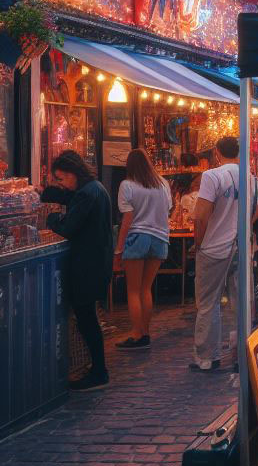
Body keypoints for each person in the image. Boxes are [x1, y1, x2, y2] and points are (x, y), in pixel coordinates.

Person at [42, 151, 114, 391]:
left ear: (73, 174)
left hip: (87, 265)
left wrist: (51, 219)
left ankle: (99, 371)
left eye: (61, 179)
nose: (61, 184)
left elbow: (69, 227)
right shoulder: (94, 188)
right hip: (96, 262)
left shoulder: (86, 193)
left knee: (87, 320)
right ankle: (98, 369)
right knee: (87, 318)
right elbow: (70, 201)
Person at [192, 136, 258, 372]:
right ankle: (238, 354)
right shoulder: (251, 178)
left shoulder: (212, 176)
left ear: (216, 152)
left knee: (208, 303)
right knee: (240, 301)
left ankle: (207, 357)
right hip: (241, 246)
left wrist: (200, 242)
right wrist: (243, 226)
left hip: (213, 248)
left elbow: (201, 215)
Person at [114, 149, 172, 349]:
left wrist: (118, 250)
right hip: (160, 238)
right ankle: (145, 332)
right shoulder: (163, 184)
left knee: (133, 290)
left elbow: (127, 220)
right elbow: (168, 210)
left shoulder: (127, 185)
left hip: (137, 237)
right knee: (146, 288)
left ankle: (137, 333)